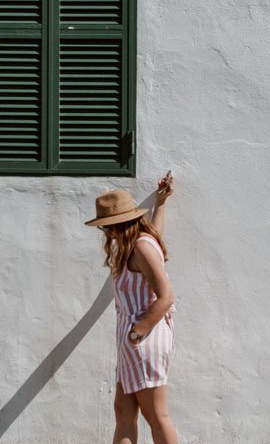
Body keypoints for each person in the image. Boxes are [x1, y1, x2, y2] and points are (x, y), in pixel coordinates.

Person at [86, 172, 178, 444]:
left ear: (118, 225)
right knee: (123, 412)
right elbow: (156, 235)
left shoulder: (140, 247)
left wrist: (137, 331)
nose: (107, 233)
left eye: (107, 226)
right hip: (133, 343)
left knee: (156, 415)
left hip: (143, 340)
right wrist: (160, 204)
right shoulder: (141, 243)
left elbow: (166, 296)